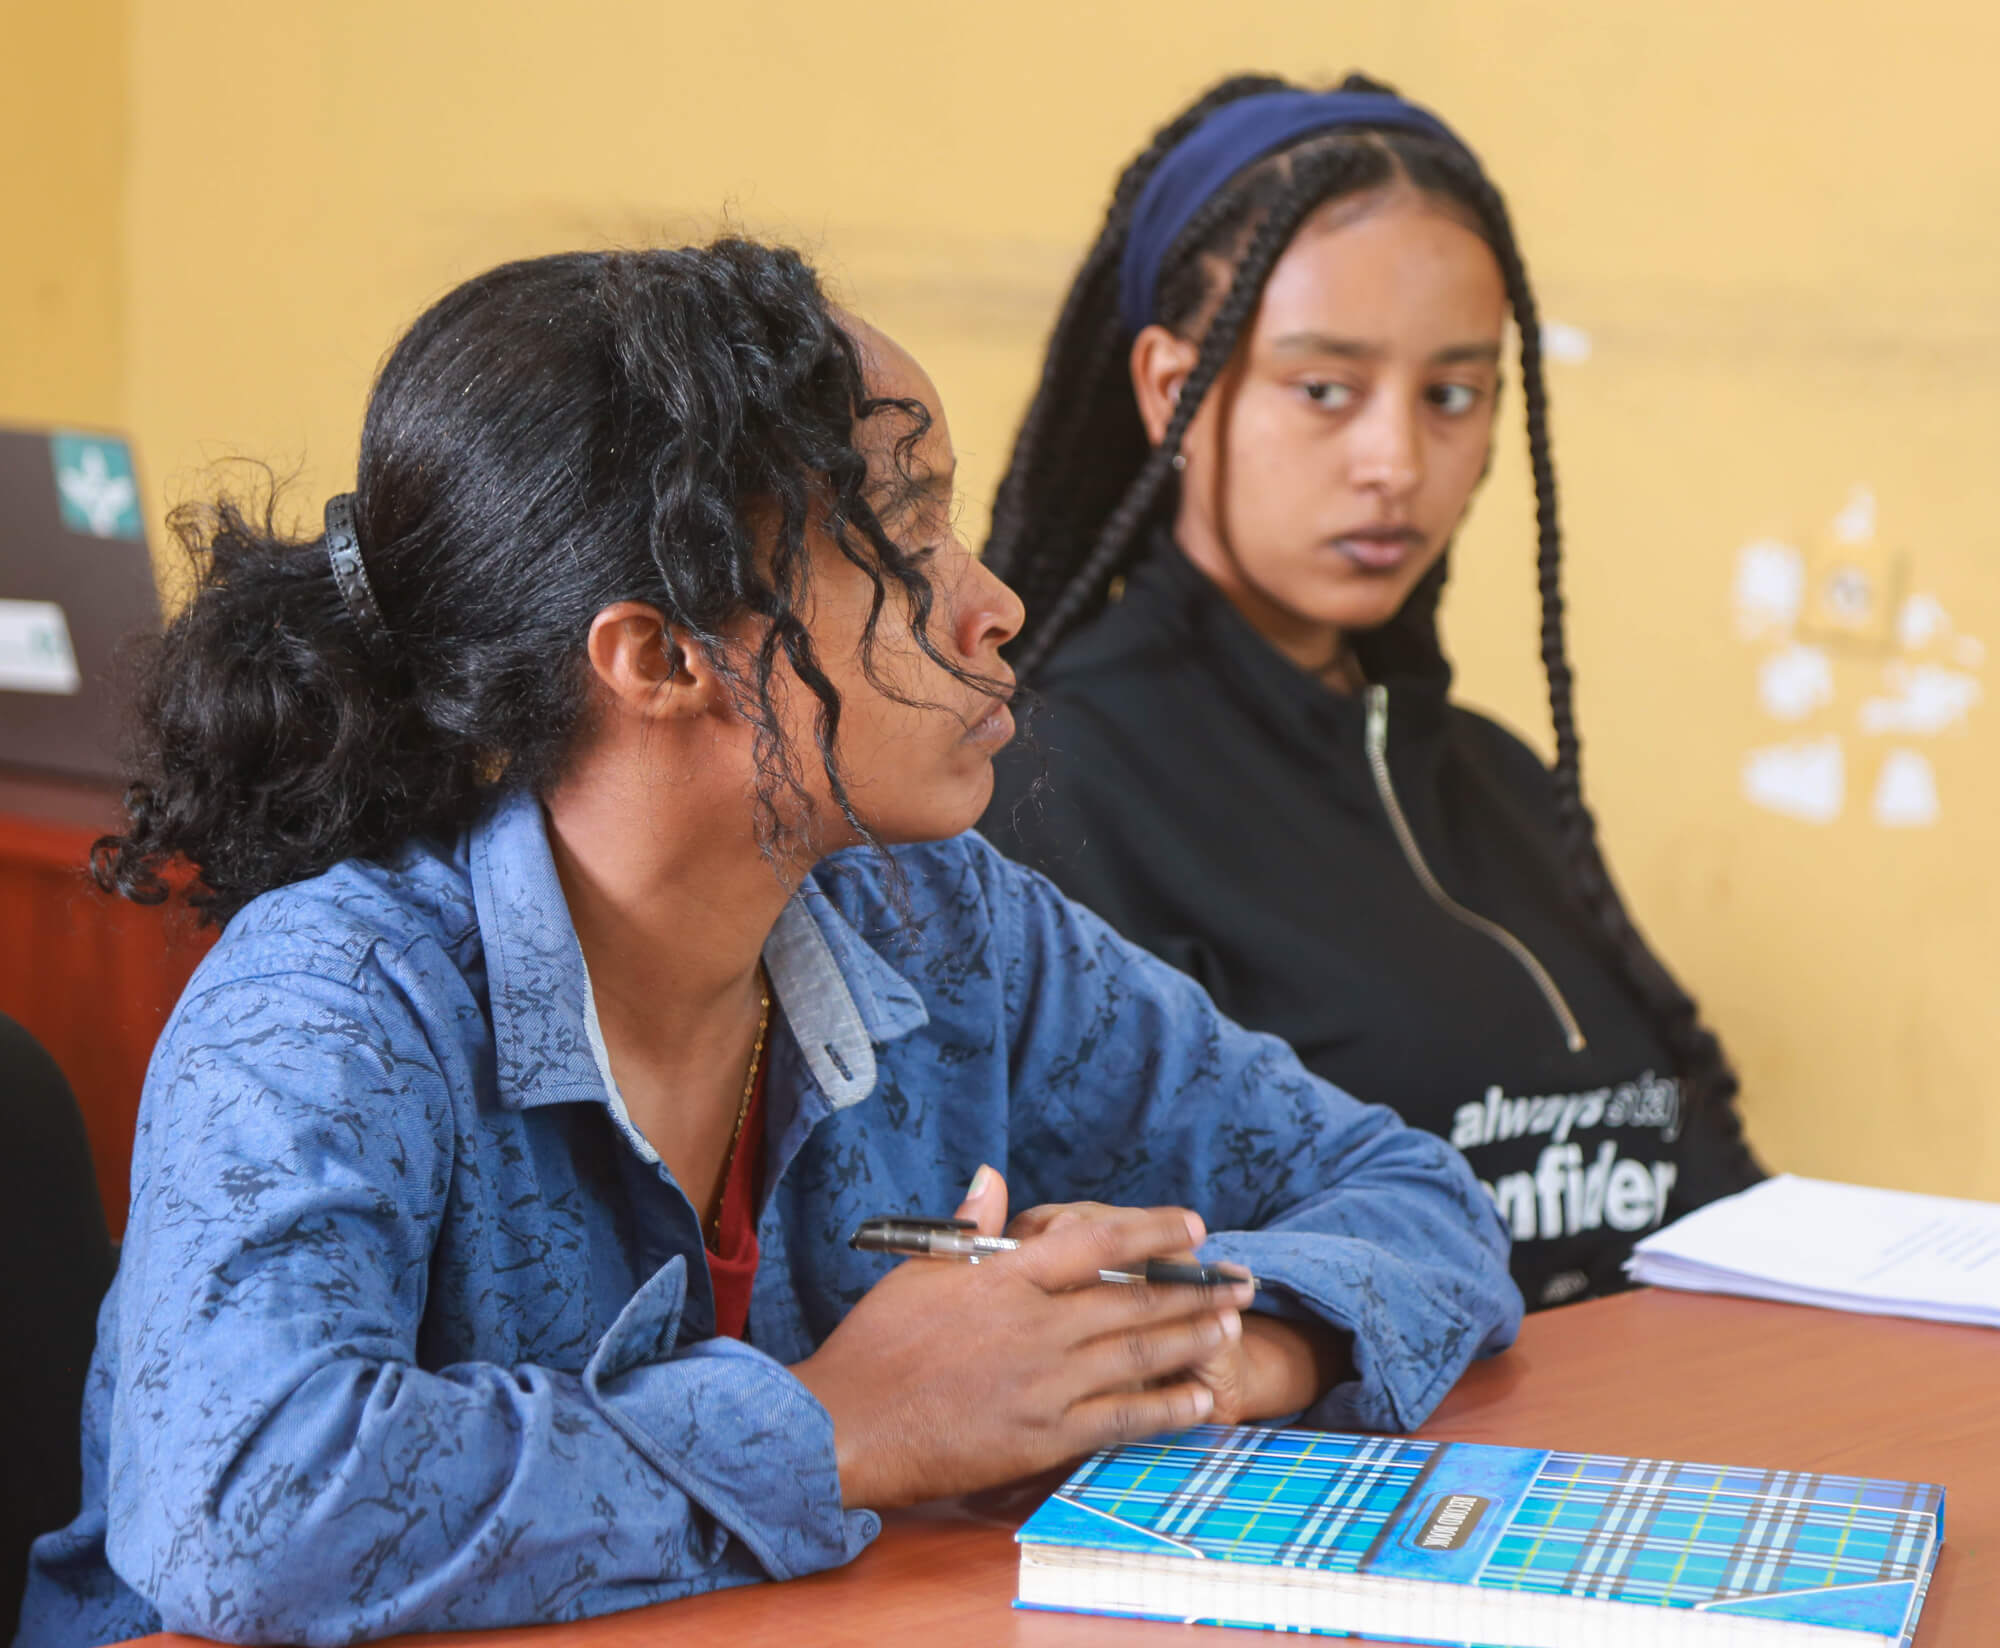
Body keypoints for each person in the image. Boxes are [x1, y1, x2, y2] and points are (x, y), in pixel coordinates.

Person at [16, 241, 1517, 1648]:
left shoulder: (946, 926)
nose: (993, 606)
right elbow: (240, 1500)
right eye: (906, 535)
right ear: (660, 657)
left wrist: (1176, 1363)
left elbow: (1413, 1200)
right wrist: (851, 1422)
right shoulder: (334, 996)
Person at [980, 74, 1763, 1313]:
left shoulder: (1499, 781)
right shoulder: (1040, 786)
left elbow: (1712, 1193)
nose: (1394, 462)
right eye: (1323, 389)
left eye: (1451, 394)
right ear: (1169, 388)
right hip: (1352, 1497)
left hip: (1655, 1475)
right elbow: (1139, 1277)